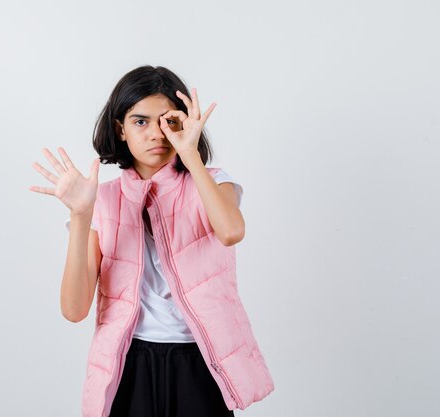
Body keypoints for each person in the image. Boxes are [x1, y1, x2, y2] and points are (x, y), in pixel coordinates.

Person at [30, 65, 274, 417]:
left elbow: (231, 231)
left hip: (200, 359)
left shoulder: (212, 182)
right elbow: (74, 309)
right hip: (130, 362)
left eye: (168, 121)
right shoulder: (104, 199)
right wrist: (82, 215)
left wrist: (189, 154)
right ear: (121, 130)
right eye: (140, 121)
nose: (156, 133)